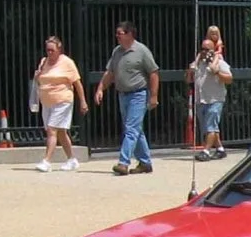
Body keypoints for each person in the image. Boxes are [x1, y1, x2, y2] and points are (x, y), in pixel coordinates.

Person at [94, 21, 160, 175]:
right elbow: (110, 73)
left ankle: (123, 163)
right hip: (123, 95)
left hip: (138, 94)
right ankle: (145, 162)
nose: (117, 36)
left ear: (129, 34)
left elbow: (154, 73)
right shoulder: (117, 51)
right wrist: (100, 89)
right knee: (136, 130)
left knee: (130, 129)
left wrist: (154, 96)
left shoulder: (142, 51)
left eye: (120, 33)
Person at [32, 36, 87, 172]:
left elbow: (77, 83)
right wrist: (37, 76)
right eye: (47, 50)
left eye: (52, 50)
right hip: (47, 102)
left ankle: (46, 161)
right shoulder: (43, 62)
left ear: (59, 50)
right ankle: (72, 159)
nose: (49, 53)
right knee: (61, 132)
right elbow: (41, 80)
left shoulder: (67, 63)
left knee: (52, 130)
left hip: (63, 100)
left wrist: (83, 101)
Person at [188, 37, 232, 161]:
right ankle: (220, 149)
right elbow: (188, 80)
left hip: (215, 99)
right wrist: (190, 71)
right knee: (209, 127)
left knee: (210, 126)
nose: (204, 52)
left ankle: (206, 151)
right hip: (201, 99)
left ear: (213, 50)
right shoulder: (198, 64)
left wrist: (217, 72)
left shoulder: (220, 63)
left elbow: (229, 79)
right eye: (202, 49)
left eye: (207, 49)